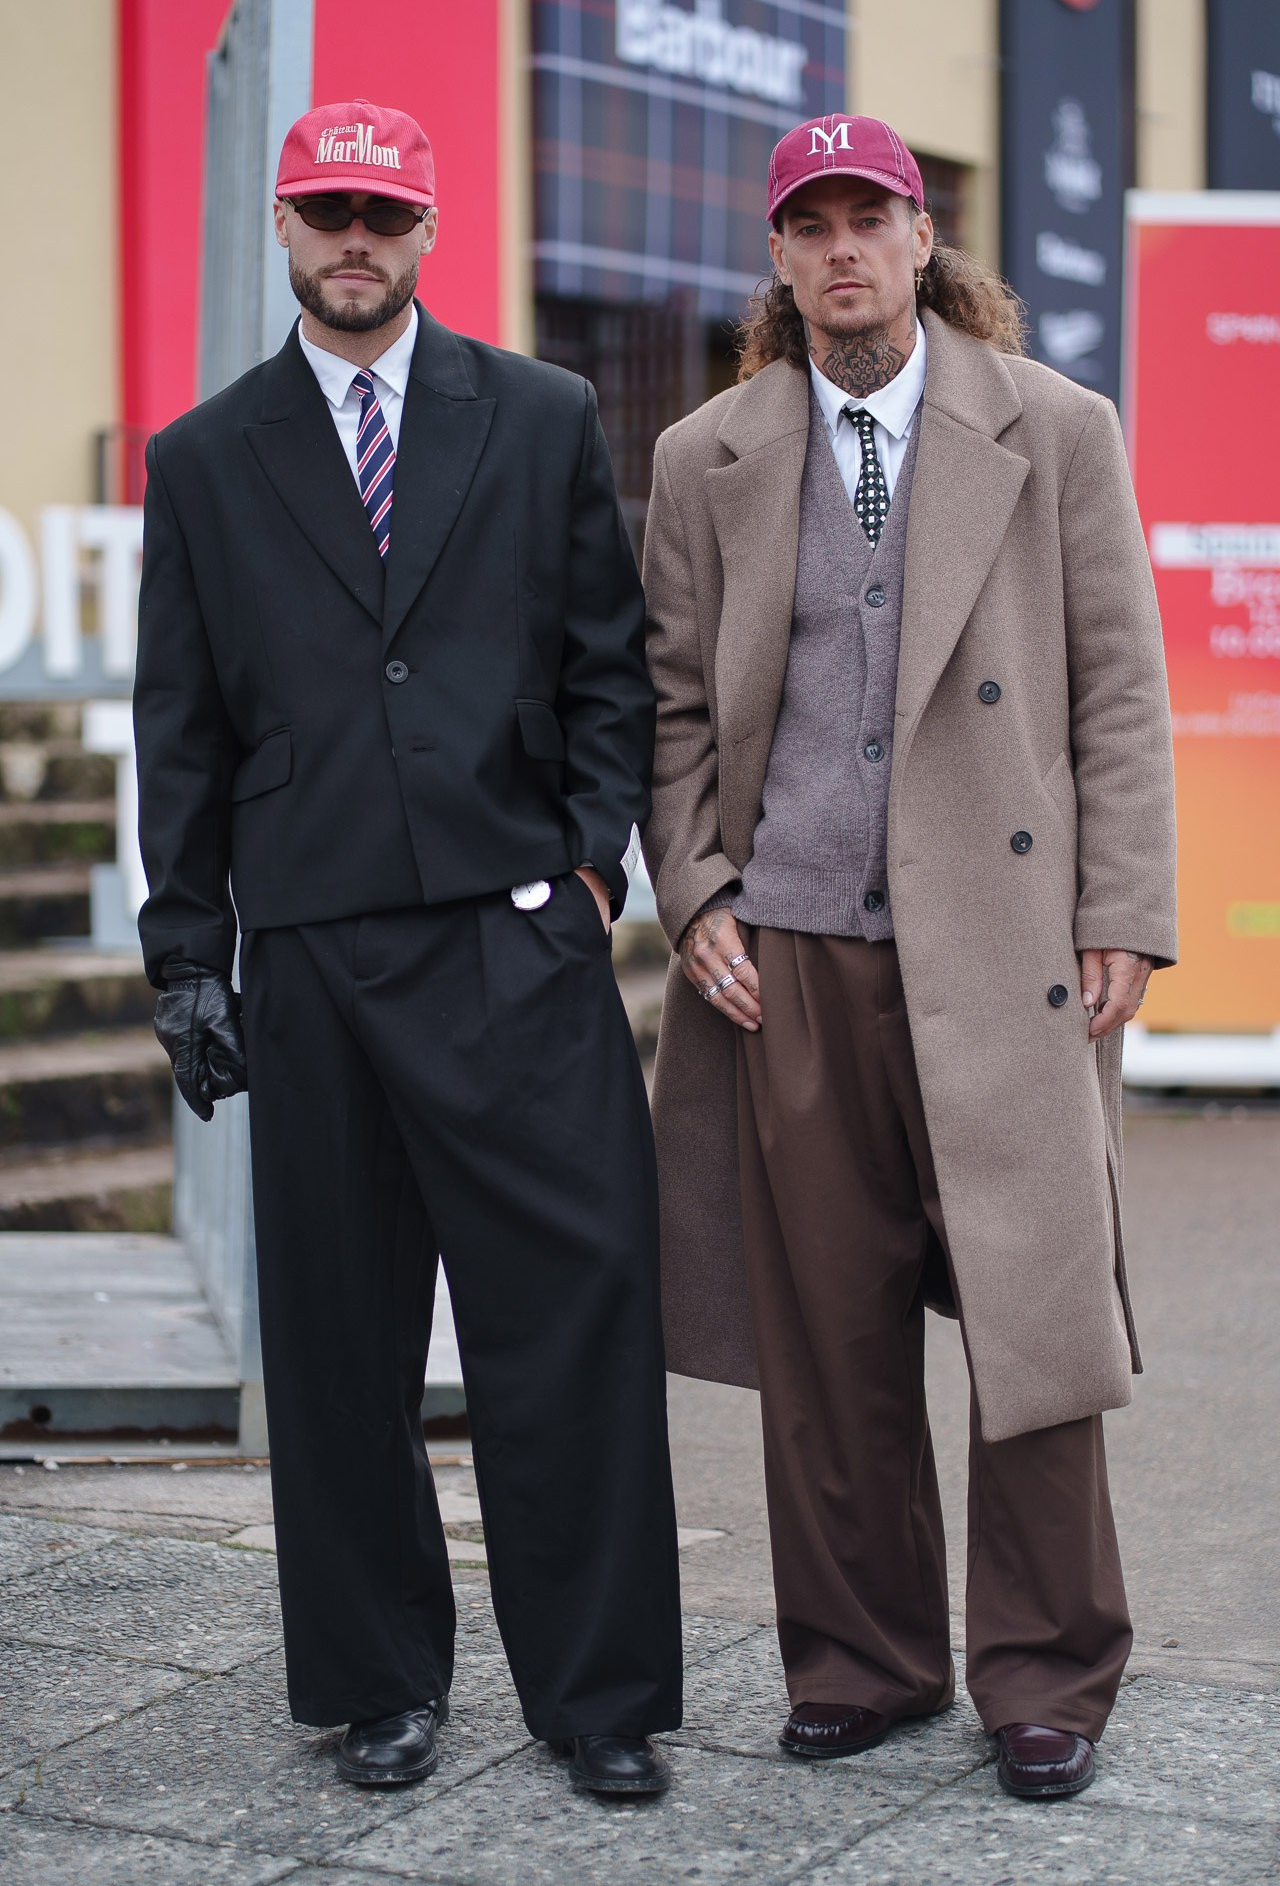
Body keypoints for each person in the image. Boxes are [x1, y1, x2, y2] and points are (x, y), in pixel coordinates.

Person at [134, 99, 681, 1796]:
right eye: (323, 212)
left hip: (516, 949)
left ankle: (597, 1702)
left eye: (381, 212)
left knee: (571, 1322)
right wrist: (186, 952)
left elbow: (614, 667)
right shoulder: (206, 460)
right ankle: (380, 1681)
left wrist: (592, 873)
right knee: (340, 1339)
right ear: (285, 228)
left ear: (428, 227)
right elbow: (184, 730)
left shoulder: (539, 417)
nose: (352, 240)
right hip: (309, 957)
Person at [642, 113, 1176, 1802]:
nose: (844, 248)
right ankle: (864, 1663)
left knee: (1034, 1316)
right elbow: (669, 710)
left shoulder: (1056, 429)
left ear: (921, 238)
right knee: (827, 1335)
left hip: (1005, 940)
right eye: (812, 224)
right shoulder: (704, 453)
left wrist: (1124, 911)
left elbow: (1118, 689)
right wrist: (701, 889)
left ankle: (1046, 1671)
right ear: (781, 256)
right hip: (790, 954)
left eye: (871, 215)